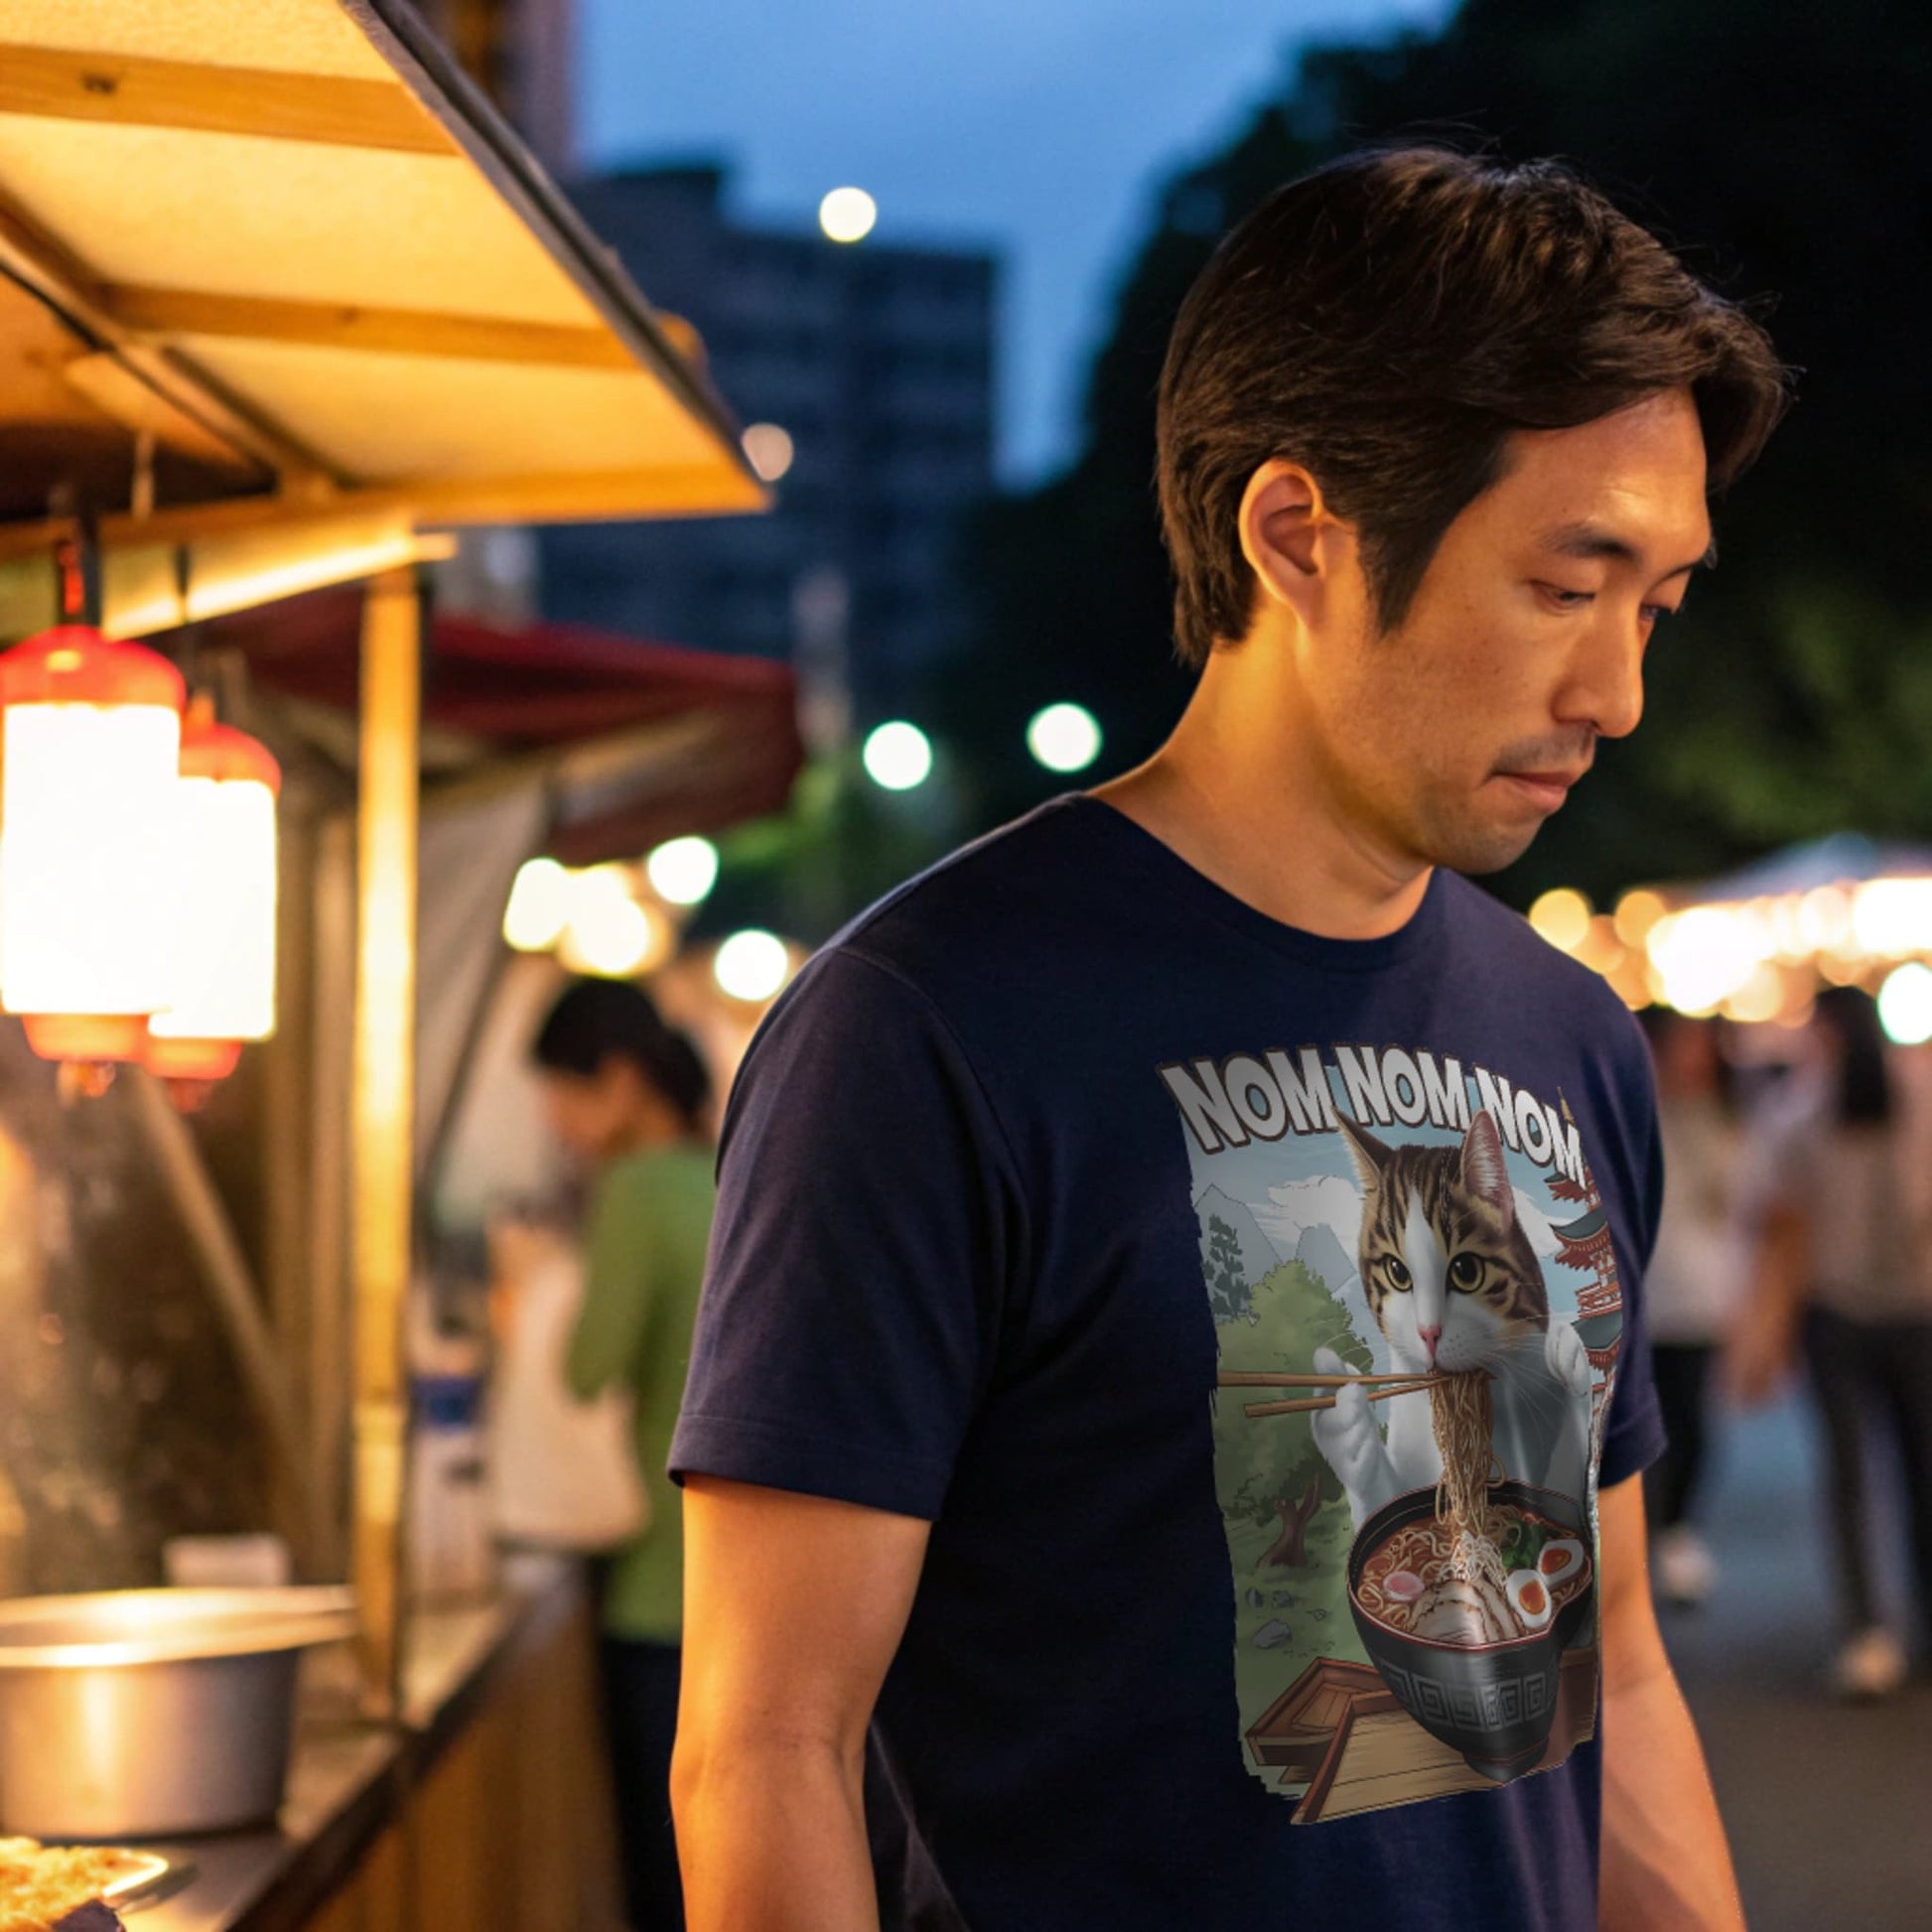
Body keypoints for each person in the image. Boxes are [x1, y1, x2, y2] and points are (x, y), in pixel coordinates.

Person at [670, 147, 1789, 1932]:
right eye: (1565, 587)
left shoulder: (1568, 1032)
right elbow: (765, 1744)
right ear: (1296, 534)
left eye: (1655, 605)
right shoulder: (926, 1027)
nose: (1619, 693)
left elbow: (1617, 1667)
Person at [529, 976, 715, 1932]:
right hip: (730, 1580)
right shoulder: (714, 1168)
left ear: (618, 1078)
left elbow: (588, 1366)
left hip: (655, 1581)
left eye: (561, 1092)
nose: (554, 1121)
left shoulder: (635, 1189)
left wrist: (527, 1292)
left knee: (660, 1867)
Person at [1732, 986, 1932, 1699]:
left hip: (1837, 1316)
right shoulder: (1921, 1091)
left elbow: (1776, 1228)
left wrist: (1759, 1335)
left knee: (1849, 1480)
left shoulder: (1798, 1110)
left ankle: (1866, 1632)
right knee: (1919, 1475)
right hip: (1914, 1313)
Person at [1638, 1010, 1748, 1606]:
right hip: (1642, 1302)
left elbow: (1744, 1204)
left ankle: (1676, 1531)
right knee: (1643, 1434)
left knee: (1695, 1427)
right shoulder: (1634, 1113)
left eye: (1702, 1046)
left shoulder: (1728, 1117)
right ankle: (1651, 1540)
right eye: (1681, 1046)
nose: (1693, 1058)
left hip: (1704, 1299)